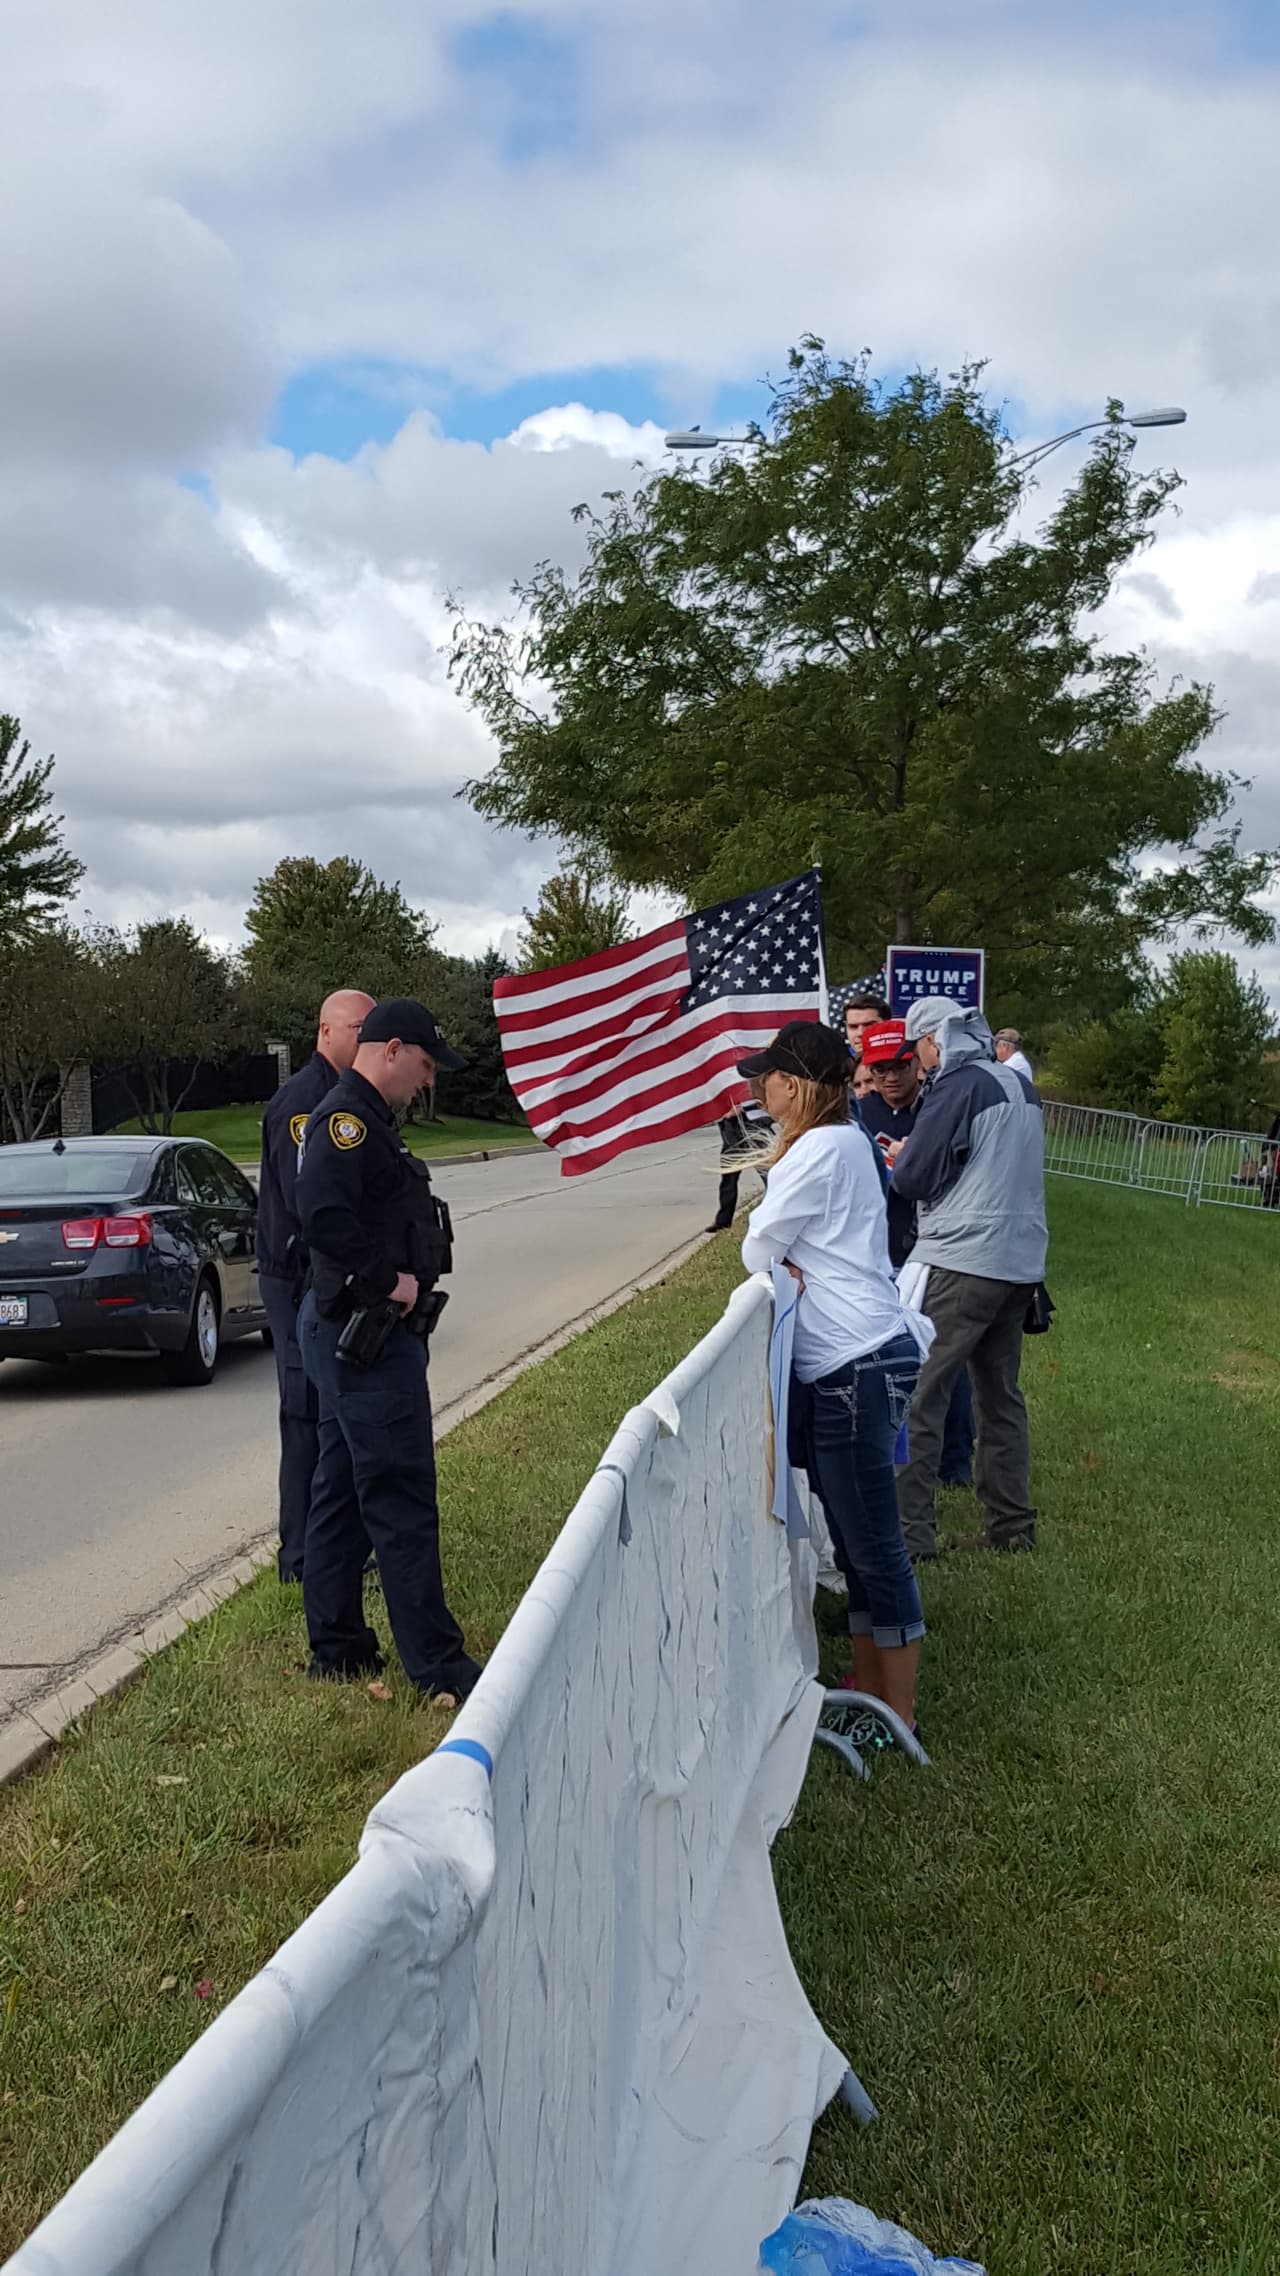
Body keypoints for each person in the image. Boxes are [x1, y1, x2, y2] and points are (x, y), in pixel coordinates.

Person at [738, 1020, 929, 1729]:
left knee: (872, 1546)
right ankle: (870, 1690)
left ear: (793, 1086)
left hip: (854, 1360)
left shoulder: (819, 1148)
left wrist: (783, 1258)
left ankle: (898, 1713)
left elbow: (758, 1248)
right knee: (852, 1542)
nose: (760, 1087)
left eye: (769, 1076)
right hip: (860, 1354)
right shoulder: (845, 1139)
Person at [296, 997, 481, 1703]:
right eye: (426, 1065)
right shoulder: (345, 1121)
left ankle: (338, 1647)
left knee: (342, 1491)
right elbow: (322, 1215)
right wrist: (388, 1280)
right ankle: (439, 1668)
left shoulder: (369, 1120)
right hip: (367, 1335)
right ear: (393, 1049)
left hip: (352, 1335)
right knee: (400, 1495)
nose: (428, 1080)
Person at [890, 998, 1048, 1560]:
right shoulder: (1018, 1084)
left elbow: (913, 1178)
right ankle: (1011, 1526)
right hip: (1020, 1263)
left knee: (920, 1395)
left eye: (918, 1050)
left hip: (962, 1259)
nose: (918, 1064)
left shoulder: (957, 1087)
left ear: (934, 1040)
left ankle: (910, 1537)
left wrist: (902, 1155)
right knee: (1000, 1398)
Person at [257, 989, 375, 1581]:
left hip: (325, 1278)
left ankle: (336, 1549)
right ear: (326, 1030)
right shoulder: (305, 1103)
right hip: (297, 1279)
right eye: (359, 1028)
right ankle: (300, 1557)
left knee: (336, 1414)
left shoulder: (348, 1097)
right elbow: (308, 1201)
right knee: (305, 1414)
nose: (367, 1039)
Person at [858, 1019, 976, 1489]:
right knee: (884, 1363)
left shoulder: (936, 1108)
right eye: (879, 1069)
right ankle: (885, 1455)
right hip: (878, 1253)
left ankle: (955, 1461)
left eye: (899, 1066)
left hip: (933, 1251)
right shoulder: (859, 1115)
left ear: (915, 1064)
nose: (890, 1077)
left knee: (946, 1360)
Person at [707, 1083, 773, 1232]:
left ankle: (775, 1212)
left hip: (754, 1126)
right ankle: (723, 1221)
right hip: (732, 1127)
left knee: (769, 1174)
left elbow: (764, 1098)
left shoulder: (751, 1076)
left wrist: (742, 1107)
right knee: (728, 1177)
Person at [843, 992, 891, 1064]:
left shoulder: (906, 1061)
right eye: (853, 1026)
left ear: (888, 1025)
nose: (860, 1033)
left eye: (869, 1025)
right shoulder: (837, 1065)